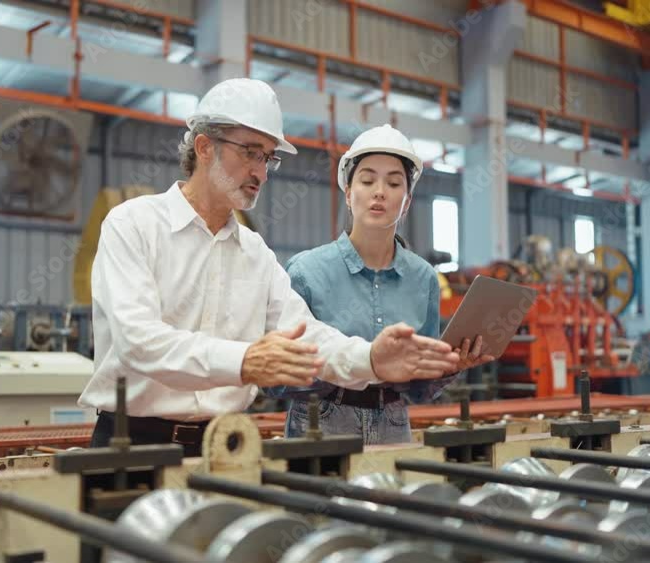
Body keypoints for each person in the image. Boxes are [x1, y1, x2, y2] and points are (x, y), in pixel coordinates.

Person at [78, 79, 460, 456]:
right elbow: (137, 341)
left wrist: (370, 358)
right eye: (250, 152)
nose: (261, 172)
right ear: (204, 147)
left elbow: (304, 334)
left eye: (267, 158)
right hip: (132, 443)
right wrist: (244, 361)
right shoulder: (133, 225)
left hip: (224, 446)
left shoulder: (254, 252)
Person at [276, 124, 495, 444]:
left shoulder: (423, 280)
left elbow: (419, 391)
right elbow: (279, 380)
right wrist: (361, 367)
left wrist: (450, 368)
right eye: (367, 180)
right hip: (320, 423)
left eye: (394, 183)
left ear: (406, 201)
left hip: (394, 424)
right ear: (349, 194)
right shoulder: (306, 272)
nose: (379, 191)